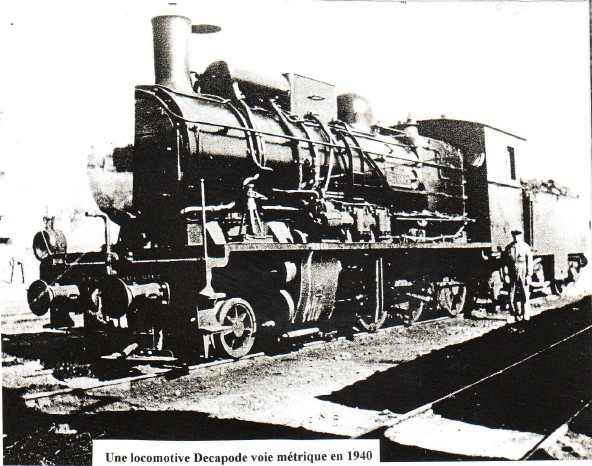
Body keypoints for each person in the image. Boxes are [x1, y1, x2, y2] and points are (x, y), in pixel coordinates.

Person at [505, 229, 533, 325]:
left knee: (525, 294)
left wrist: (529, 275)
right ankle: (513, 315)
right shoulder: (509, 248)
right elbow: (506, 263)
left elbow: (529, 261)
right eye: (514, 235)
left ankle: (526, 314)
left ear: (521, 236)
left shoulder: (525, 247)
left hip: (523, 271)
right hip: (512, 272)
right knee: (511, 295)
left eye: (518, 235)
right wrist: (506, 275)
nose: (516, 237)